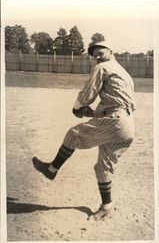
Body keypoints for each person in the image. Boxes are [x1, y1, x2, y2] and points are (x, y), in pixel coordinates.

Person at [32, 41, 136, 221]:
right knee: (103, 167)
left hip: (116, 121)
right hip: (127, 125)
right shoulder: (125, 74)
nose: (96, 56)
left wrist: (77, 107)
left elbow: (89, 92)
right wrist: (94, 113)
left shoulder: (103, 67)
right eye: (94, 54)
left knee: (73, 135)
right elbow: (118, 101)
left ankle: (51, 169)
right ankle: (107, 207)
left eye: (100, 52)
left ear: (111, 51)